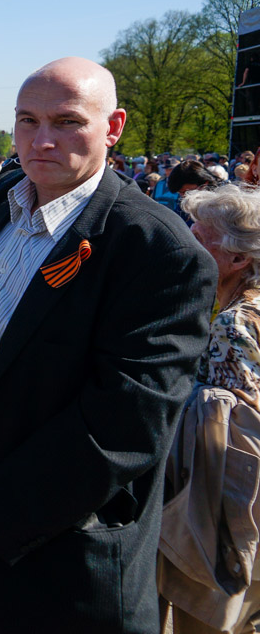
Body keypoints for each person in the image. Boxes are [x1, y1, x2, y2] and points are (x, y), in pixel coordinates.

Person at [0, 57, 215, 634]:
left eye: (67, 121)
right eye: (27, 120)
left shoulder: (155, 249)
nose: (42, 140)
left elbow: (128, 420)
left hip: (56, 551)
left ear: (113, 126)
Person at [158, 183, 260, 632]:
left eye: (198, 239)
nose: (184, 244)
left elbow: (227, 430)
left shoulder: (231, 324)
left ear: (239, 259)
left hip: (219, 510)